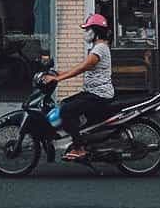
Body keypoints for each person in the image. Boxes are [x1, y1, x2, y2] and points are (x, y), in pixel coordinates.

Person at [44, 13, 113, 161]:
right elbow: (82, 67)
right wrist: (59, 73)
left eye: (88, 29)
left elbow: (81, 68)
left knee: (66, 111)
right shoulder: (97, 47)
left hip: (99, 96)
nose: (86, 33)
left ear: (96, 31)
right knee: (64, 103)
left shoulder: (99, 48)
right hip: (92, 92)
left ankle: (79, 148)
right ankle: (81, 137)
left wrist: (58, 78)